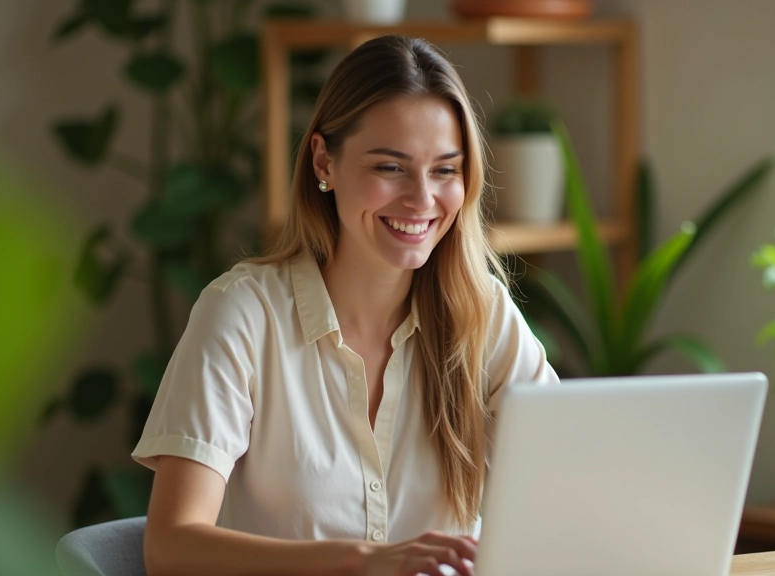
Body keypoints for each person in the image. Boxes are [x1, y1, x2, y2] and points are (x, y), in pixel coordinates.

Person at [132, 34, 559, 576]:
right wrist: (363, 562)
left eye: (445, 170)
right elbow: (171, 548)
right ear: (323, 162)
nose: (422, 199)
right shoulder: (242, 315)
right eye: (390, 167)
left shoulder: (483, 315)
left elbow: (566, 494)